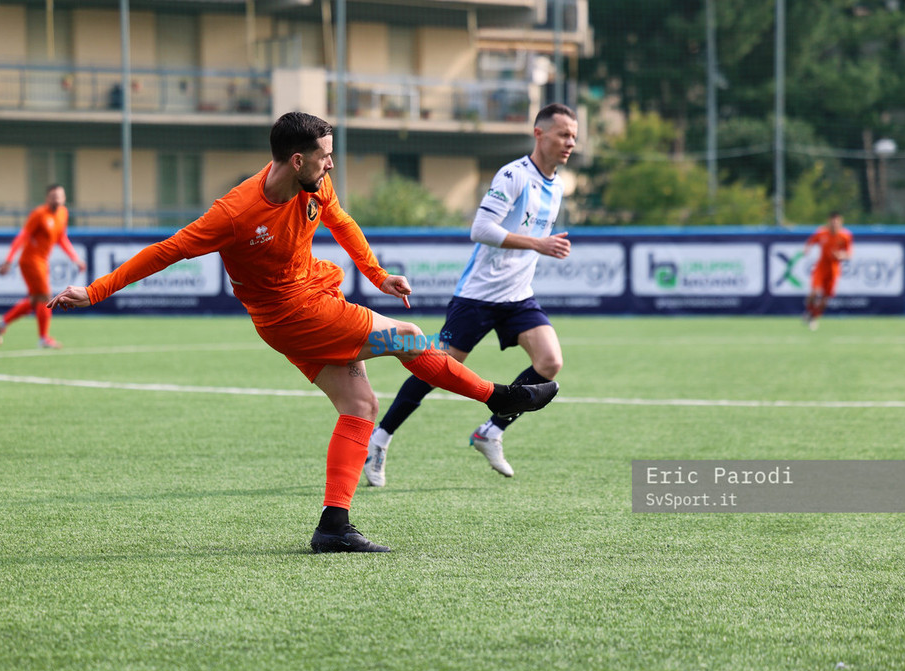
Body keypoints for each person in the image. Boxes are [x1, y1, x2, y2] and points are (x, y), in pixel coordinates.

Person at [47, 111, 559, 554]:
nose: (331, 164)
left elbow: (342, 222)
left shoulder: (314, 184)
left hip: (311, 299)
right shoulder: (235, 212)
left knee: (360, 405)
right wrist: (95, 291)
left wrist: (377, 274)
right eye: (325, 156)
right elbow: (166, 251)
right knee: (405, 336)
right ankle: (498, 397)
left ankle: (333, 527)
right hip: (291, 315)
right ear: (297, 160)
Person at [364, 103, 577, 487]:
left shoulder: (558, 185)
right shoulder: (513, 175)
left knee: (550, 361)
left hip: (518, 298)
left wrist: (538, 247)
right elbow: (480, 228)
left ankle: (491, 432)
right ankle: (380, 438)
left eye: (574, 136)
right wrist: (538, 244)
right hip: (477, 297)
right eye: (563, 134)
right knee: (435, 368)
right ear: (539, 133)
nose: (570, 142)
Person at [0, 184, 86, 349]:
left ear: (64, 198)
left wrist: (75, 259)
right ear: (47, 198)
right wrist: (8, 260)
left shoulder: (63, 213)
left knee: (36, 301)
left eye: (59, 196)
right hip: (30, 261)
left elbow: (61, 238)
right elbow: (22, 237)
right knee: (45, 298)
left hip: (42, 261)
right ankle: (43, 338)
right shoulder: (39, 214)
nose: (56, 199)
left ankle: (3, 322)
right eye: (53, 196)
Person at [802, 211, 853, 331]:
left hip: (833, 270)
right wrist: (807, 248)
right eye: (832, 221)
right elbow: (811, 241)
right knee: (815, 292)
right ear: (829, 222)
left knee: (825, 298)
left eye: (837, 222)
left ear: (841, 222)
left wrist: (841, 255)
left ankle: (813, 317)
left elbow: (849, 254)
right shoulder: (822, 233)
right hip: (821, 267)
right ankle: (808, 311)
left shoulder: (845, 236)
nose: (834, 224)